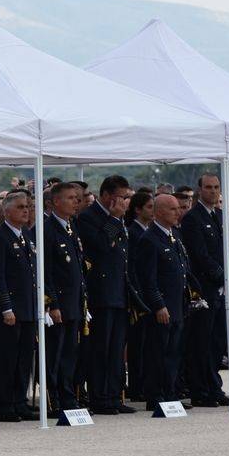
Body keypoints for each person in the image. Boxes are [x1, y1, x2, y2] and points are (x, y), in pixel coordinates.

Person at [78, 176, 137, 415]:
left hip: (119, 291)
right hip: (101, 292)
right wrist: (114, 219)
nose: (123, 202)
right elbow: (101, 246)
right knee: (101, 348)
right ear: (107, 196)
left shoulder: (118, 218)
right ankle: (99, 397)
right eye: (120, 196)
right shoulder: (89, 217)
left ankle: (114, 395)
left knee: (115, 350)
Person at [136, 195, 196, 411]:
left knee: (173, 355)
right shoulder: (149, 239)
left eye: (178, 209)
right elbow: (147, 279)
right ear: (159, 212)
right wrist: (158, 305)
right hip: (162, 309)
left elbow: (182, 271)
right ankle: (155, 395)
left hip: (177, 307)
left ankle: (170, 393)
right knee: (157, 354)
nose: (178, 212)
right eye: (172, 209)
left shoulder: (174, 236)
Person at [179, 174, 229, 407]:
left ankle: (214, 387)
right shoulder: (193, 218)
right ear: (199, 190)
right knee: (202, 341)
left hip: (223, 289)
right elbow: (200, 256)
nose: (213, 191)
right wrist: (224, 277)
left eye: (216, 187)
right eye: (208, 187)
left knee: (217, 342)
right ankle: (200, 390)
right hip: (206, 288)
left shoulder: (220, 216)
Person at [0, 192, 38, 422]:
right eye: (20, 207)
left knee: (24, 359)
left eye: (27, 206)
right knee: (7, 359)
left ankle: (20, 401)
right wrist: (5, 307)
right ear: (7, 212)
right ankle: (5, 405)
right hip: (11, 310)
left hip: (27, 307)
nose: (26, 210)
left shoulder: (25, 234)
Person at [43, 183, 86, 415]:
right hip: (59, 305)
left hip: (74, 303)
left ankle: (68, 397)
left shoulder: (70, 227)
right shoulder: (47, 229)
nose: (76, 202)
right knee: (55, 354)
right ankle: (54, 399)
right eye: (70, 198)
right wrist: (52, 303)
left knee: (70, 353)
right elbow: (46, 270)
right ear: (55, 202)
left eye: (76, 198)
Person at [125, 192, 154, 402]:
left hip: (147, 294)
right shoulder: (134, 232)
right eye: (149, 206)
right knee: (138, 344)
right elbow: (133, 266)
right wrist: (138, 294)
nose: (152, 210)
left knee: (146, 344)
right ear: (137, 209)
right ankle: (136, 385)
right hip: (139, 295)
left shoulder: (147, 230)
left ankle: (143, 382)